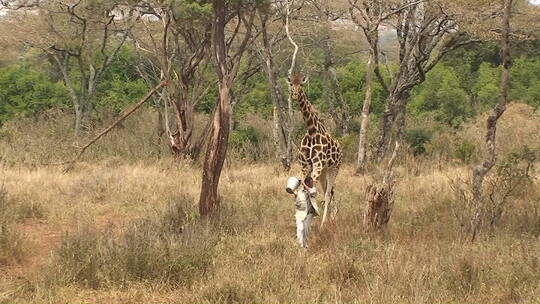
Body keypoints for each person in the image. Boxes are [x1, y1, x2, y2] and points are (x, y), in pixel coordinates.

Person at [286, 176, 319, 248]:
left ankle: (306, 246)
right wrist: (296, 184)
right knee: (300, 229)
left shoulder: (313, 189)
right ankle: (300, 246)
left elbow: (312, 192)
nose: (312, 184)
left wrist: (303, 184)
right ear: (307, 183)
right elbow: (291, 191)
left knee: (306, 231)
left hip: (309, 214)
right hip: (300, 213)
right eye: (311, 183)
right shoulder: (299, 191)